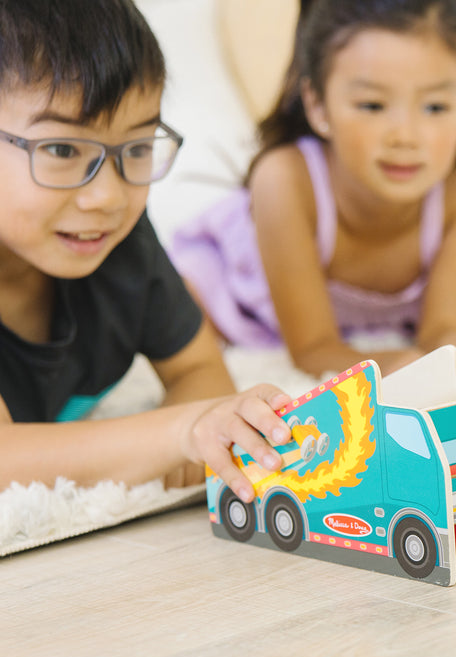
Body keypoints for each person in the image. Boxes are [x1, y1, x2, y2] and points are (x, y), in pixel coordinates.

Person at [170, 0, 456, 389]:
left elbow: (444, 329)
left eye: (435, 107)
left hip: (385, 313)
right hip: (244, 294)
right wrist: (391, 365)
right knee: (178, 312)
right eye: (372, 105)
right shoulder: (285, 180)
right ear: (318, 105)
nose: (404, 136)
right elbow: (314, 349)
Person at [0, 0, 292, 502]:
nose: (108, 196)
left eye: (135, 149)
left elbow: (198, 368)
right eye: (63, 150)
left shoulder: (122, 245)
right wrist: (178, 433)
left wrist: (204, 426)